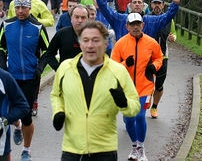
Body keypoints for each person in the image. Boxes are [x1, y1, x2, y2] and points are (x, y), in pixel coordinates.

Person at [50, 21, 140, 160]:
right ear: (80, 44)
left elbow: (134, 107)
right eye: (85, 40)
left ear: (105, 44)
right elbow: (56, 95)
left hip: (104, 150)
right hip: (72, 149)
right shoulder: (65, 68)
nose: (90, 45)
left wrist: (124, 104)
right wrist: (58, 112)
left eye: (96, 40)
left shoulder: (118, 71)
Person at [0, 0, 50, 161]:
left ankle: (26, 150)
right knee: (11, 112)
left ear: (30, 8)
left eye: (24, 7)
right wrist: (3, 68)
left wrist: (39, 69)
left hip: (30, 77)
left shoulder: (37, 28)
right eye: (18, 7)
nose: (21, 11)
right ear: (14, 8)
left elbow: (48, 51)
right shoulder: (6, 25)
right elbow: (1, 48)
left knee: (26, 115)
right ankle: (17, 126)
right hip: (11, 76)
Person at [111, 13, 163, 161]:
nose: (135, 27)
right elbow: (112, 66)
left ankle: (141, 148)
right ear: (126, 26)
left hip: (145, 86)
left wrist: (155, 65)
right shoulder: (121, 44)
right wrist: (125, 64)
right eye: (132, 24)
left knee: (140, 116)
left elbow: (159, 57)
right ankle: (134, 146)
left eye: (138, 24)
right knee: (128, 119)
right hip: (126, 88)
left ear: (143, 25)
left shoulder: (151, 43)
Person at [95, 0, 180, 41]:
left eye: (139, 2)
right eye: (134, 2)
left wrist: (175, 4)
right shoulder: (120, 19)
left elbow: (167, 17)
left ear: (143, 6)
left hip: (145, 62)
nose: (137, 4)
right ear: (130, 5)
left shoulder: (150, 21)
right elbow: (107, 11)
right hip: (124, 62)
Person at [148, 0, 177, 119]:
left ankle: (154, 107)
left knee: (159, 85)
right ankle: (143, 103)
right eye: (154, 3)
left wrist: (173, 38)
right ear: (151, 5)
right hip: (148, 57)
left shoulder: (169, 20)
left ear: (163, 5)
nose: (157, 6)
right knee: (146, 84)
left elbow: (174, 34)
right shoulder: (146, 18)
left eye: (159, 3)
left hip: (163, 57)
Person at [39, 4, 89, 72]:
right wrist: (59, 69)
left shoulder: (93, 36)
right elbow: (49, 54)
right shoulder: (62, 34)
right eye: (76, 17)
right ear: (71, 18)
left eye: (83, 17)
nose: (79, 20)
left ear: (88, 19)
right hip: (66, 76)